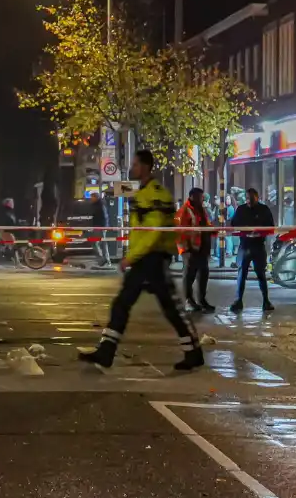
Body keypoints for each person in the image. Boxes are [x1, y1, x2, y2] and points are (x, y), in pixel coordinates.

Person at [81, 149, 203, 371]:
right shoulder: (140, 190)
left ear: (146, 167)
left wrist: (131, 257)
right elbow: (121, 195)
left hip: (153, 258)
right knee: (124, 304)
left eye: (135, 165)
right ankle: (106, 351)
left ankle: (193, 351)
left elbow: (153, 231)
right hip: (144, 259)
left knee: (170, 307)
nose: (132, 168)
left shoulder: (157, 194)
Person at [230, 188, 275, 313]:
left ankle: (266, 301)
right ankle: (238, 301)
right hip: (244, 245)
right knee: (241, 274)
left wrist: (259, 232)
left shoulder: (264, 210)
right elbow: (233, 223)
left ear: (257, 197)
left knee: (261, 274)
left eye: (251, 198)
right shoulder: (241, 209)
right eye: (247, 198)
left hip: (258, 245)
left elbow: (271, 226)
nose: (249, 201)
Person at [177, 187, 214, 312]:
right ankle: (189, 300)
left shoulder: (201, 209)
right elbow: (181, 231)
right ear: (192, 197)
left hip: (202, 248)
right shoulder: (185, 210)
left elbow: (206, 225)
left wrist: (212, 231)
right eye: (199, 197)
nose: (201, 199)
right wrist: (186, 249)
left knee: (203, 274)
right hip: (191, 250)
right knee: (189, 276)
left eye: (202, 197)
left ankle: (202, 300)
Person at [90, 191, 111, 267]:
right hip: (98, 226)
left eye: (92, 197)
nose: (91, 199)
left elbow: (104, 216)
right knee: (102, 244)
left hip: (99, 227)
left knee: (96, 243)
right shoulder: (97, 204)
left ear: (96, 197)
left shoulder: (100, 205)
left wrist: (102, 227)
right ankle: (105, 260)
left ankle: (102, 260)